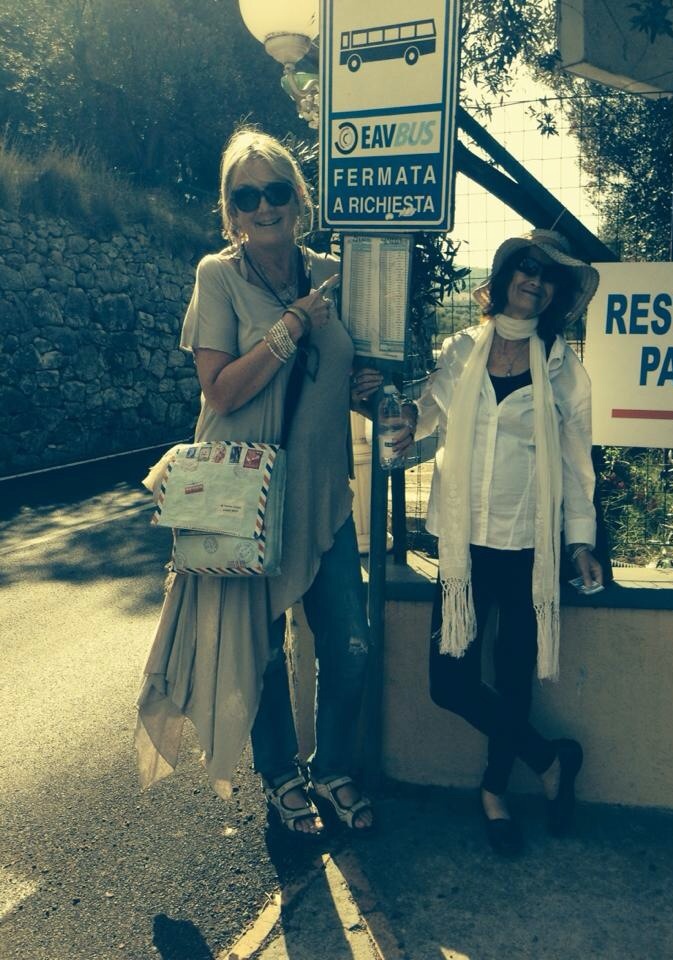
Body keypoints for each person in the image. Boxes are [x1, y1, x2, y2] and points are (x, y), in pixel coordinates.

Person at [135, 129, 383, 837]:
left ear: (298, 199)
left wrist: (363, 388)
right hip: (245, 495)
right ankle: (280, 776)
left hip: (322, 494)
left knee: (352, 645)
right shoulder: (218, 277)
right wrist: (290, 326)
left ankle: (332, 767)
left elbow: (342, 375)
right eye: (247, 197)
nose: (264, 206)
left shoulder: (334, 273)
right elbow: (219, 389)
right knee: (263, 650)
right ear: (231, 210)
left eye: (276, 190)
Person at [404, 229, 603, 856]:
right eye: (527, 267)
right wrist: (395, 413)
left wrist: (581, 542)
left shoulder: (562, 368)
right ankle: (549, 759)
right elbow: (423, 419)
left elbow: (576, 463)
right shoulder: (462, 350)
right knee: (450, 683)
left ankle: (494, 792)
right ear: (507, 273)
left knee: (514, 677)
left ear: (555, 293)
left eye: (548, 277)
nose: (535, 281)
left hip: (527, 545)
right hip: (462, 545)